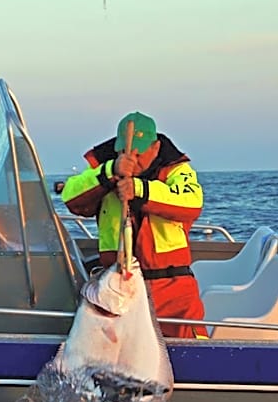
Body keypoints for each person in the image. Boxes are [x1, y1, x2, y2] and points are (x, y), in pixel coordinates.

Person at [62, 111, 207, 339]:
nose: (131, 158)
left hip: (171, 289)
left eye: (138, 153)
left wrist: (140, 190)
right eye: (123, 152)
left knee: (190, 348)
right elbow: (71, 196)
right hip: (118, 288)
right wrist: (110, 171)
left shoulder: (177, 171)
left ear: (156, 148)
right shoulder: (104, 167)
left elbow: (191, 203)